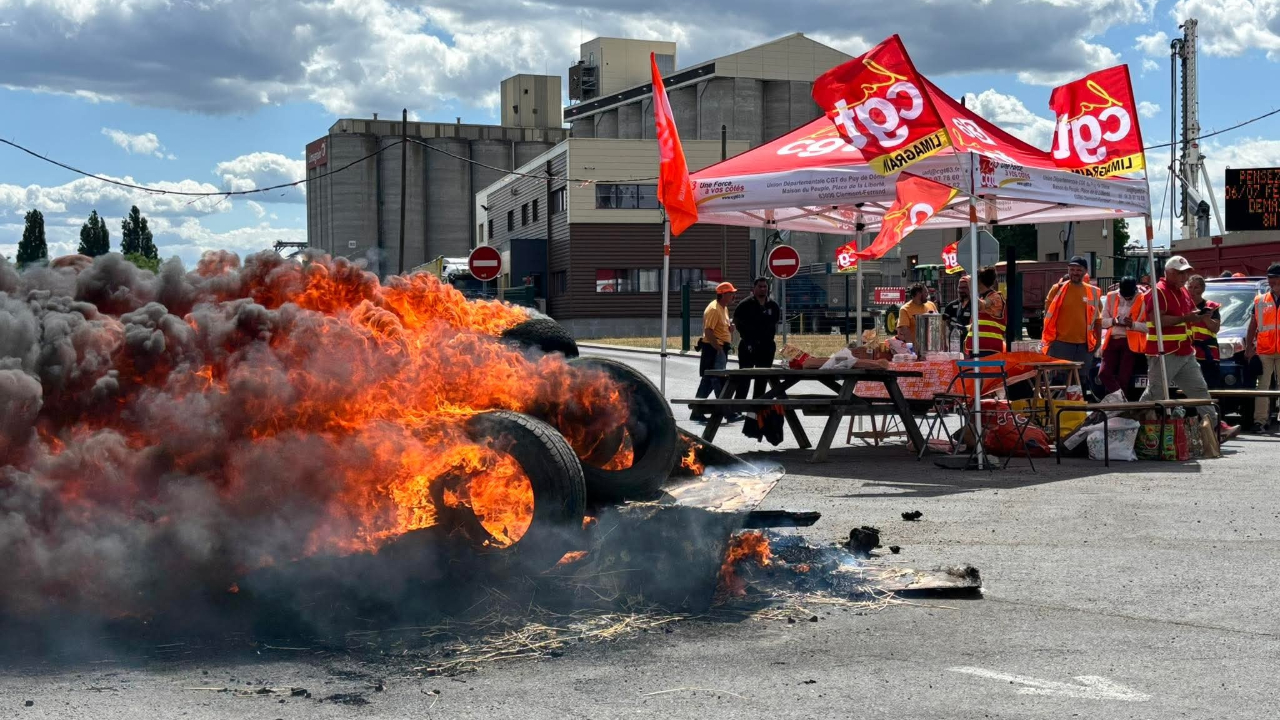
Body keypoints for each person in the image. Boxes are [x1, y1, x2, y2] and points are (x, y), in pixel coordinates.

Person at [1139, 256, 1233, 439]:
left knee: (1199, 390)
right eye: (1181, 273)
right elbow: (1156, 320)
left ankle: (1214, 428)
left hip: (1185, 351)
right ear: (1169, 273)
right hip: (1164, 352)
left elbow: (1187, 314)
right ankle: (1132, 425)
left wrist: (1200, 315)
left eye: (1186, 273)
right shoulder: (1158, 292)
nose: (1185, 277)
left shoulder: (1182, 292)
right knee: (1154, 394)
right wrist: (1187, 318)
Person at [1041, 256, 1103, 387]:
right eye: (1072, 269)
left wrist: (1097, 342)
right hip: (1060, 343)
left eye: (1079, 270)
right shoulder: (1057, 289)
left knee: (1080, 382)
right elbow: (1048, 315)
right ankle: (1057, 407)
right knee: (1059, 380)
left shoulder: (1093, 291)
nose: (1075, 272)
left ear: (1085, 271)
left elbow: (1097, 319)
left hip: (1084, 345)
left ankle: (1077, 407)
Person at [692, 282, 741, 423]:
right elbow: (708, 331)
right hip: (714, 349)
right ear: (723, 294)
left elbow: (719, 328)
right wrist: (718, 349)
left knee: (708, 381)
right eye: (731, 293)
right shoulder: (714, 309)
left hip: (719, 348)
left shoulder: (723, 308)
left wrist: (729, 330)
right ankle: (728, 412)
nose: (733, 296)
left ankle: (696, 411)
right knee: (718, 380)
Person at [1244, 263, 1280, 433]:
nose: (1272, 282)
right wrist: (1249, 347)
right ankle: (1260, 421)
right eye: (1270, 279)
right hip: (1264, 350)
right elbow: (1253, 325)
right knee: (1262, 388)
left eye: (1275, 279)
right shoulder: (1260, 300)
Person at [732, 277, 781, 399]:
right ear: (754, 288)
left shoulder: (773, 306)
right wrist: (748, 337)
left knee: (762, 378)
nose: (763, 289)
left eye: (765, 287)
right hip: (748, 345)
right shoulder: (745, 305)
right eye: (760, 286)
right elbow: (737, 322)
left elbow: (775, 322)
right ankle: (739, 406)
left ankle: (757, 408)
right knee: (744, 377)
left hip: (766, 347)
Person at [1097, 277, 1146, 395]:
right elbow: (1102, 321)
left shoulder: (1143, 298)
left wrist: (1133, 325)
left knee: (1124, 378)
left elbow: (1149, 326)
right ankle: (1120, 399)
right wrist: (1114, 321)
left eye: (1130, 296)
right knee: (1103, 374)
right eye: (1125, 295)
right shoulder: (1111, 296)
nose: (1127, 298)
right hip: (1112, 340)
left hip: (1131, 343)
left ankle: (1119, 406)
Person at [1186, 275, 1222, 389]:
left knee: (1210, 386)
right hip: (1188, 352)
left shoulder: (1211, 307)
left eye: (1196, 288)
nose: (1192, 291)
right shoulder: (1183, 306)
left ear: (1202, 289)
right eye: (1190, 287)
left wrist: (1205, 316)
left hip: (1208, 354)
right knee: (1190, 387)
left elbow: (1215, 328)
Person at [968, 266, 1006, 357]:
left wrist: (971, 288)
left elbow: (981, 305)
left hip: (989, 348)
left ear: (979, 281)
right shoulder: (982, 297)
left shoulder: (995, 297)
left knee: (986, 371)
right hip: (977, 346)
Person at [941, 275, 972, 352]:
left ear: (971, 288)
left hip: (971, 345)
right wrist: (944, 343)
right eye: (959, 288)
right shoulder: (951, 306)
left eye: (964, 288)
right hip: (955, 345)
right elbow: (944, 326)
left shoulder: (976, 305)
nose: (961, 290)